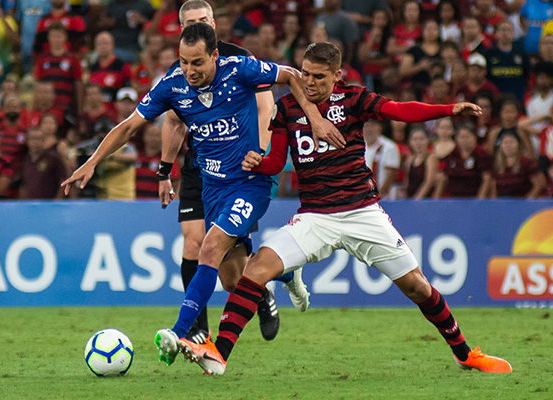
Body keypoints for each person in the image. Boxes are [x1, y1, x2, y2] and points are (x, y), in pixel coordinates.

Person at [176, 41, 512, 376]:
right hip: (314, 217)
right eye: (305, 74)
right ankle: (218, 353)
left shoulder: (354, 99)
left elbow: (399, 110)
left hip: (362, 212)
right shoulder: (288, 108)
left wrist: (448, 110)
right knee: (256, 270)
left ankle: (465, 354)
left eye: (319, 77)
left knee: (418, 287)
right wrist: (259, 164)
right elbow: (277, 161)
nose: (309, 82)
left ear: (337, 75)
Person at [61, 23, 344, 367]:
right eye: (184, 62)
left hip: (250, 182)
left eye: (197, 63)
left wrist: (314, 117)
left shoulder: (240, 69)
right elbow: (129, 127)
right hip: (212, 188)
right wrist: (92, 161)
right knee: (231, 278)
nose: (190, 71)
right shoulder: (172, 85)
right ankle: (285, 272)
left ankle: (180, 332)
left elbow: (291, 75)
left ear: (214, 55)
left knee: (208, 247)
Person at [156, 0, 314, 345]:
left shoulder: (237, 59)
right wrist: (164, 170)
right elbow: (172, 121)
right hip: (199, 170)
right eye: (190, 22)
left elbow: (265, 104)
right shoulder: (180, 70)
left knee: (230, 277)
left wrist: (258, 150)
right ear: (181, 28)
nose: (198, 25)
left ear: (213, 23)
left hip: (238, 168)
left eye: (203, 20)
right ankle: (197, 327)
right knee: (195, 242)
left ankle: (274, 279)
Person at [434, 121, 493, 198]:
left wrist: (479, 201)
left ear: (474, 137)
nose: (464, 140)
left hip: (473, 197)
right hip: (453, 198)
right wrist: (436, 200)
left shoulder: (481, 154)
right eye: (461, 137)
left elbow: (486, 179)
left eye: (467, 137)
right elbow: (444, 178)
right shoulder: (452, 154)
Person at [490, 130, 546, 198]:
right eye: (505, 143)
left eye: (511, 142)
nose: (508, 145)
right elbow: (493, 187)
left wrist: (527, 201)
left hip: (521, 201)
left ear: (518, 144)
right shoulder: (496, 165)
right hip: (501, 202)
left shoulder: (527, 163)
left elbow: (540, 184)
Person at [20, 127, 66, 199]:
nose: (35, 142)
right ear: (27, 141)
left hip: (49, 204)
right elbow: (23, 185)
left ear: (44, 141)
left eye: (38, 139)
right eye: (32, 139)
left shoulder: (53, 158)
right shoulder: (25, 160)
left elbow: (63, 181)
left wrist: (57, 201)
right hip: (30, 205)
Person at [404, 124, 438, 199]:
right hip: (410, 198)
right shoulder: (409, 159)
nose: (418, 142)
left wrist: (418, 199)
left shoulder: (431, 158)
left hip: (425, 200)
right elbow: (407, 181)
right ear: (410, 141)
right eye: (415, 139)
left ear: (427, 140)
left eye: (421, 139)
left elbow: (429, 181)